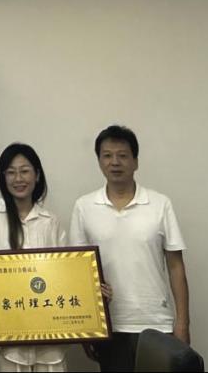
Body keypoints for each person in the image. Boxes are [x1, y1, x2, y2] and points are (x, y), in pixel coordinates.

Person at [69, 125, 190, 372]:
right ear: (99, 161)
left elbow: (176, 267)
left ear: (135, 161)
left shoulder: (160, 204)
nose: (115, 162)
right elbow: (77, 271)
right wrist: (85, 328)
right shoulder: (84, 207)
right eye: (107, 155)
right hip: (109, 325)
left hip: (156, 323)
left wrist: (183, 324)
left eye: (122, 155)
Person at [0, 144, 68, 372]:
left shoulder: (51, 221)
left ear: (37, 175)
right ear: (3, 177)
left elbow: (66, 274)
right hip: (7, 337)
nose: (18, 179)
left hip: (49, 335)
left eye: (24, 171)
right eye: (11, 172)